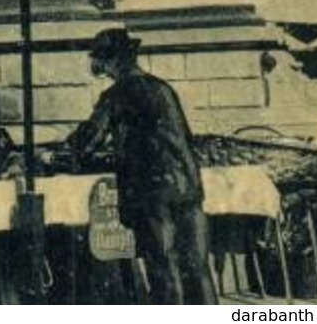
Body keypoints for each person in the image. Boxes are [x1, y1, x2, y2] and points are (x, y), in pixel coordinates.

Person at [65, 28, 215, 305]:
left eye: (99, 60)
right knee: (197, 268)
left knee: (163, 266)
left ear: (111, 62)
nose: (97, 67)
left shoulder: (117, 94)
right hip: (188, 187)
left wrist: (63, 152)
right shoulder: (162, 87)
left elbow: (87, 142)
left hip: (152, 192)